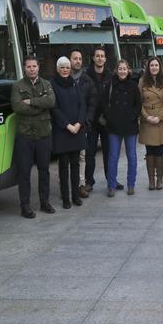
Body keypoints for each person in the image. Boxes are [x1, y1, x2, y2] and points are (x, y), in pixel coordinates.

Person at [11, 56, 56, 218]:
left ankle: (45, 202)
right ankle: (25, 206)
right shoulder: (17, 86)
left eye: (34, 66)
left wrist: (31, 102)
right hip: (25, 135)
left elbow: (51, 102)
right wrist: (40, 106)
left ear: (38, 68)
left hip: (44, 134)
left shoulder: (47, 84)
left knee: (44, 170)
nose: (32, 69)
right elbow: (18, 107)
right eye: (29, 66)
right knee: (24, 173)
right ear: (24, 68)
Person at [50, 56, 87, 209]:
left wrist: (79, 123)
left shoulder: (74, 83)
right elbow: (54, 108)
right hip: (63, 132)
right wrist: (67, 125)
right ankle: (66, 198)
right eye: (62, 68)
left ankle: (75, 195)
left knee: (75, 165)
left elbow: (82, 105)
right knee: (63, 167)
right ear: (58, 69)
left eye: (67, 67)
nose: (65, 70)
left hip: (77, 130)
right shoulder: (52, 85)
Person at [104, 59, 142, 197]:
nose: (122, 71)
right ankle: (111, 185)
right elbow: (104, 103)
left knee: (131, 156)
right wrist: (111, 118)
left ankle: (131, 184)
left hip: (130, 126)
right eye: (120, 69)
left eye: (124, 69)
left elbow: (138, 105)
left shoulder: (133, 85)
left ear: (128, 70)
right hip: (114, 126)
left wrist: (132, 117)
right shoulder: (110, 84)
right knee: (113, 156)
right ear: (116, 70)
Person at [85, 47, 116, 190]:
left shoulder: (110, 76)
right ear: (93, 58)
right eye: (97, 56)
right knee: (90, 153)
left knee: (108, 153)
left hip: (107, 120)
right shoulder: (86, 75)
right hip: (91, 121)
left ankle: (111, 181)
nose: (99, 58)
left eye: (102, 56)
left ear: (105, 59)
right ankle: (89, 182)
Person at [139, 56, 163, 190]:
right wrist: (146, 117)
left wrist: (159, 117)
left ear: (160, 67)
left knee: (159, 151)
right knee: (149, 151)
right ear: (148, 67)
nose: (154, 68)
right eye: (152, 65)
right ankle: (151, 180)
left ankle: (160, 180)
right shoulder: (141, 81)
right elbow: (138, 102)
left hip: (159, 120)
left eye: (156, 65)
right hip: (147, 120)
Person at [69, 49, 96, 199]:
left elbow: (92, 103)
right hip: (66, 126)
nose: (77, 61)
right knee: (65, 158)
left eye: (80, 59)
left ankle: (80, 185)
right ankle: (65, 187)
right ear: (69, 60)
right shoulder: (63, 78)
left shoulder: (87, 80)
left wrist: (85, 121)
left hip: (82, 125)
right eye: (75, 58)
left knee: (81, 156)